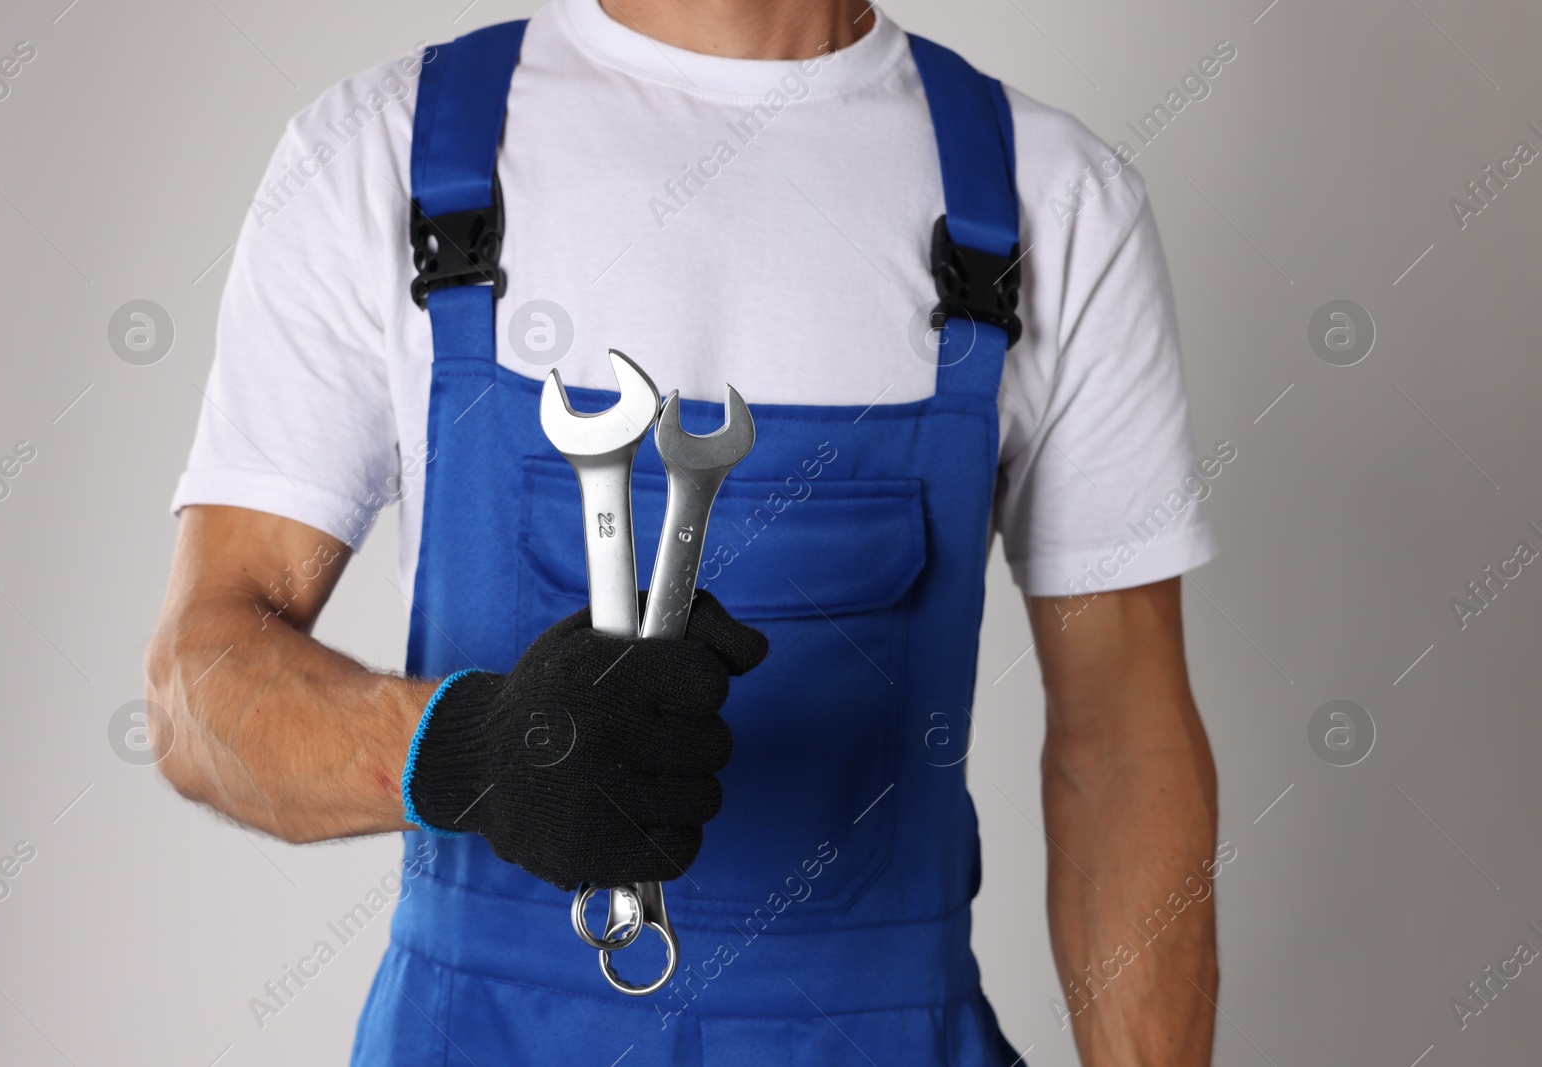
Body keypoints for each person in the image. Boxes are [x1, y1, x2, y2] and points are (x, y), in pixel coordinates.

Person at [146, 0, 1220, 1063]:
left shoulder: (1052, 198)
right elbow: (199, 690)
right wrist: (474, 752)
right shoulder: (381, 152)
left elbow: (1119, 740)